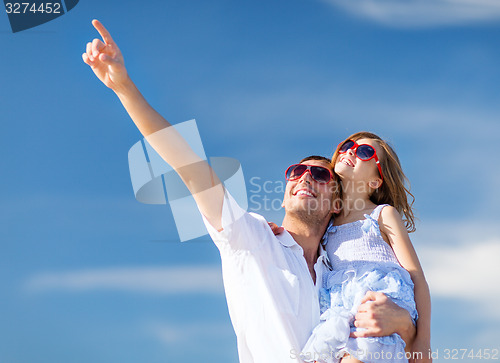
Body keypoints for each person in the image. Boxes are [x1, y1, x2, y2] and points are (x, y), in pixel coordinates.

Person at [82, 20, 416, 363]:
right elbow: (190, 168)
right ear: (285, 194)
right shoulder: (251, 237)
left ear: (336, 201)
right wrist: (124, 88)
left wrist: (406, 324)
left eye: (318, 174)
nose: (304, 178)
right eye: (296, 172)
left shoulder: (339, 273)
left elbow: (388, 329)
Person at [299, 133, 431, 363]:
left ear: (375, 181)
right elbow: (301, 233)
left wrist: (422, 341)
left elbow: (417, 277)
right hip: (340, 314)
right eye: (347, 146)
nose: (351, 151)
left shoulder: (382, 214)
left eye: (364, 152)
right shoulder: (327, 222)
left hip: (378, 308)